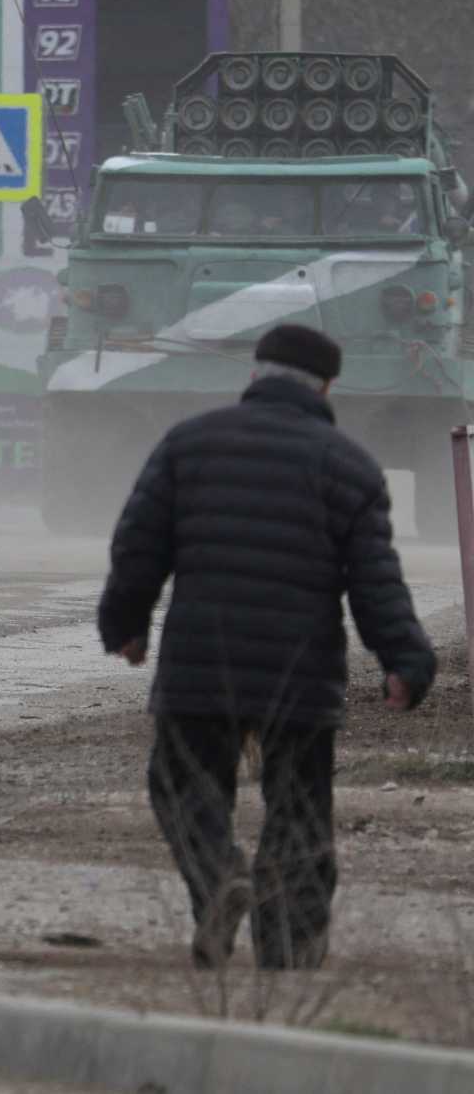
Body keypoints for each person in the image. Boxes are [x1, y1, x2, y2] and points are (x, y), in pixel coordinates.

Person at [99, 323, 435, 970]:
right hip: (300, 676)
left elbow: (138, 547)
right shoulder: (351, 467)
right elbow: (376, 584)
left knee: (184, 788)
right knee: (300, 808)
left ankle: (220, 876)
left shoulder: (188, 445)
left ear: (255, 376)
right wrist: (405, 662)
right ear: (328, 387)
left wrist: (126, 626)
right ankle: (289, 949)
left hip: (201, 665)